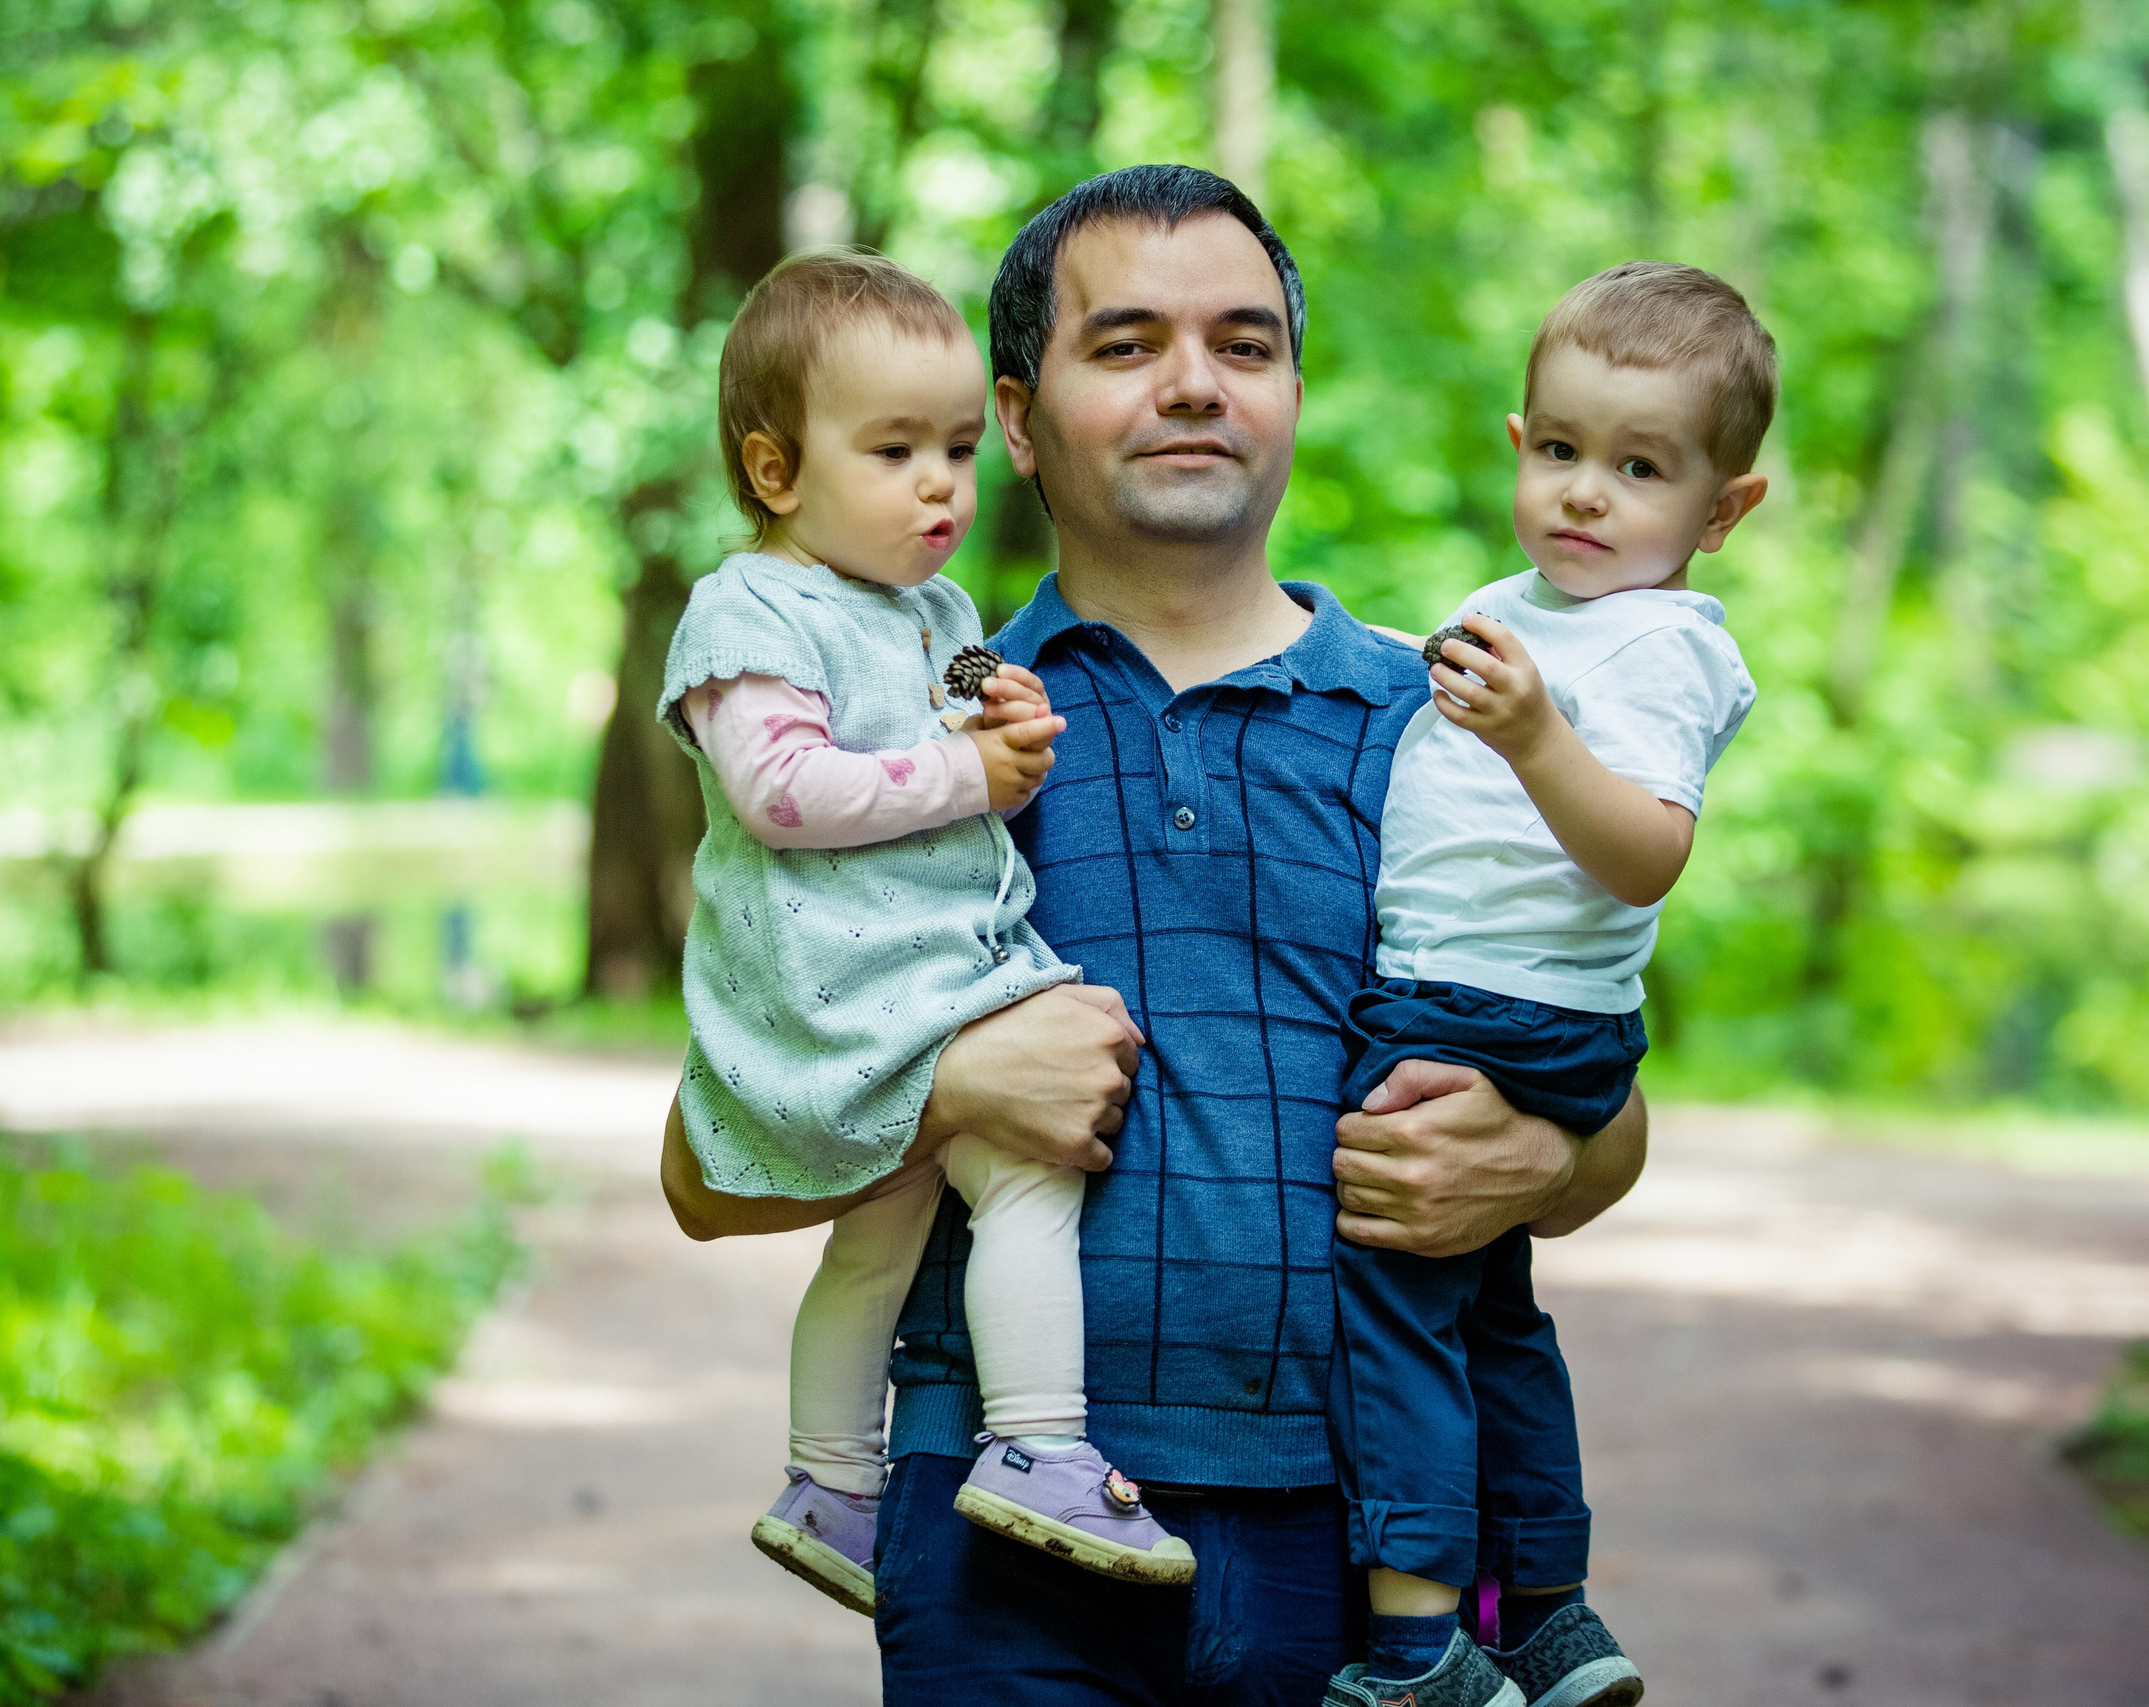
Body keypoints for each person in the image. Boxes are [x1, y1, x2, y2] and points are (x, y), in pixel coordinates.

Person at [662, 165, 1651, 1705]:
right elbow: (703, 1176)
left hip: (1370, 1540)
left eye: (1245, 345)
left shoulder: (1448, 724)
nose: (1194, 382)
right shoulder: (916, 733)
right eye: (1124, 344)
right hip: (998, 1529)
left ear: (1294, 395)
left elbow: (1601, 1097)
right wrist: (959, 1094)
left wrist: (1546, 1163)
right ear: (1015, 416)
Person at [661, 250, 1196, 1618]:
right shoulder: (751, 609)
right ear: (777, 473)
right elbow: (781, 792)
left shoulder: (935, 611)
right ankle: (1040, 1444)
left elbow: (961, 714)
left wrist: (1000, 722)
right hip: (850, 981)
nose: (940, 484)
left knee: (886, 1230)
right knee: (1024, 1178)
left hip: (914, 968)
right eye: (894, 449)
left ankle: (831, 1482)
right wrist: (972, 777)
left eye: (957, 449)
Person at [1322, 263, 1772, 1707]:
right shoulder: (1521, 607)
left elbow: (1645, 855)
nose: (1588, 495)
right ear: (1520, 446)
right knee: (1486, 1307)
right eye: (1565, 453)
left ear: (1723, 510)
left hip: (1491, 1009)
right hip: (1498, 1002)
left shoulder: (1666, 645)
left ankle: (1414, 1648)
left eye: (1641, 469)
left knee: (1381, 1283)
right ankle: (1549, 1615)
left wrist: (1532, 740)